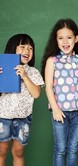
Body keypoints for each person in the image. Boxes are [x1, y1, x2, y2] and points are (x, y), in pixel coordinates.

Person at [41, 18, 78, 166]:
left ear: (76, 39)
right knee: (60, 149)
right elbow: (48, 87)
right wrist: (55, 109)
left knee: (73, 149)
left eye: (69, 37)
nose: (65, 42)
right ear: (56, 40)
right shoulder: (52, 61)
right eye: (61, 38)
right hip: (60, 113)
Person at [0, 34, 44, 166]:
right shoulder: (2, 69)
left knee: (18, 151)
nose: (27, 51)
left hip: (23, 118)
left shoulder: (33, 72)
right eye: (23, 47)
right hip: (3, 117)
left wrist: (25, 76)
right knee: (2, 150)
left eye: (30, 48)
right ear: (12, 49)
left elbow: (36, 94)